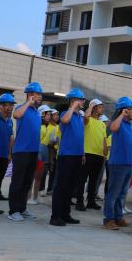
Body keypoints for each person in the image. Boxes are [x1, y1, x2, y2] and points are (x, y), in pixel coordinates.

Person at [50, 88, 86, 227]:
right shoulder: (66, 113)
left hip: (77, 156)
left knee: (70, 188)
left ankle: (65, 214)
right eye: (80, 99)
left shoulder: (80, 117)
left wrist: (82, 153)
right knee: (61, 187)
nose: (83, 102)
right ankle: (55, 216)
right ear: (73, 100)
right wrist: (72, 107)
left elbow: (80, 137)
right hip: (66, 156)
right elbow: (64, 120)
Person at [8, 82, 44, 222]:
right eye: (37, 94)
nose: (40, 97)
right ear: (30, 94)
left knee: (27, 182)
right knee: (17, 181)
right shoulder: (21, 108)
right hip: (21, 151)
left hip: (33, 152)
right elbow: (16, 115)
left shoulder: (37, 113)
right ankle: (13, 211)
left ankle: (22, 208)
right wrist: (28, 102)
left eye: (40, 94)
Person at [103, 96, 132, 230]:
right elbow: (113, 127)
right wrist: (122, 115)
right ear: (124, 110)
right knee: (113, 193)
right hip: (118, 164)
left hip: (128, 164)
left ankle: (118, 217)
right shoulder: (119, 122)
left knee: (122, 194)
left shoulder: (128, 125)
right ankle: (108, 219)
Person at [76, 98, 107, 211]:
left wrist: (105, 153)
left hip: (99, 155)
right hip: (87, 154)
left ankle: (91, 201)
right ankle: (79, 202)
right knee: (82, 179)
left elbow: (104, 139)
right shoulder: (87, 120)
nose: (102, 109)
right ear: (93, 108)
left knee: (94, 180)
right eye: (100, 107)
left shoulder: (102, 124)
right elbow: (85, 116)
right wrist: (90, 106)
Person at [30, 104, 52, 204]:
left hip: (43, 152)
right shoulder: (37, 125)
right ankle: (29, 197)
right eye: (48, 114)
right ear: (42, 114)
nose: (49, 116)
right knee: (33, 176)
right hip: (37, 152)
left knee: (39, 176)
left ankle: (35, 197)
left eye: (50, 114)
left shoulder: (47, 126)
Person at [45, 109, 60, 194]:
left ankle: (51, 188)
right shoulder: (47, 126)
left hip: (57, 151)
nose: (57, 116)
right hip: (48, 151)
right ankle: (43, 189)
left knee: (54, 171)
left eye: (57, 115)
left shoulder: (59, 126)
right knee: (48, 170)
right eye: (54, 115)